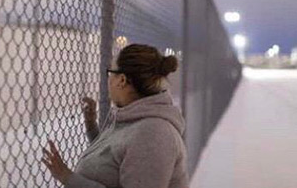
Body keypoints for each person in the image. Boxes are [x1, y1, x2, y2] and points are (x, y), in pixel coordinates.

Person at [42, 43, 189, 188]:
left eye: (110, 72)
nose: (108, 79)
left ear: (122, 80)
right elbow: (115, 157)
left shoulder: (153, 133)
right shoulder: (136, 118)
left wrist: (67, 177)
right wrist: (91, 126)